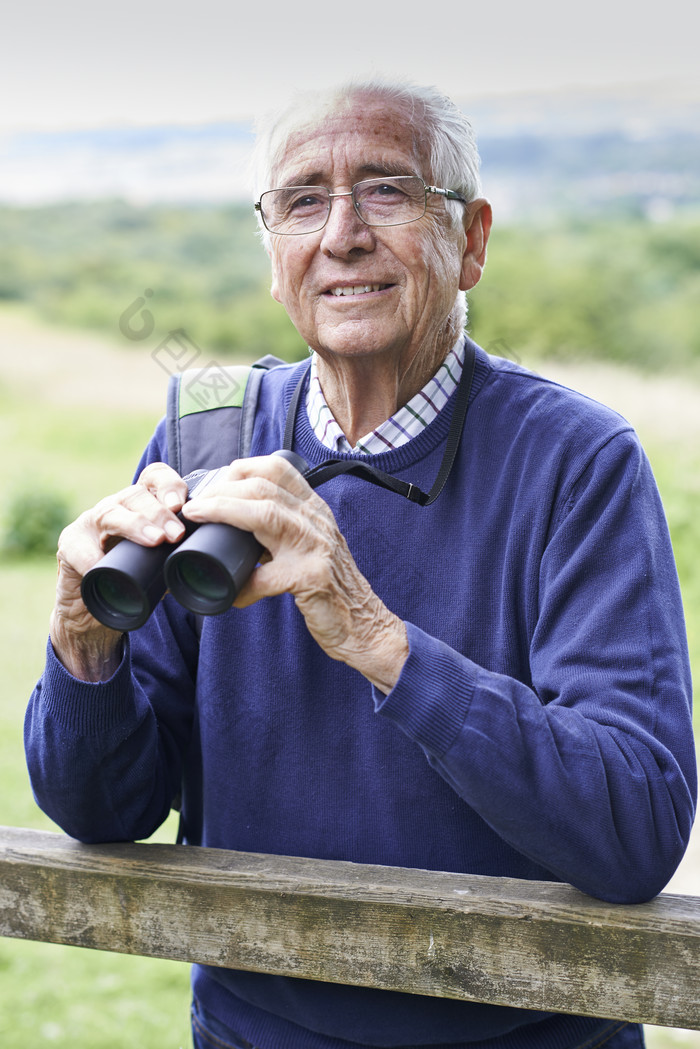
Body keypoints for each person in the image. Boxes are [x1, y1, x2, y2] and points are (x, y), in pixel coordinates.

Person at [25, 79, 696, 1049]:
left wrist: (380, 641)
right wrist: (83, 643)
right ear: (275, 259)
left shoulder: (575, 461)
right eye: (302, 200)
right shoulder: (206, 430)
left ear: (470, 241)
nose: (341, 233)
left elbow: (633, 826)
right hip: (252, 1032)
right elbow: (101, 810)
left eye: (387, 191)